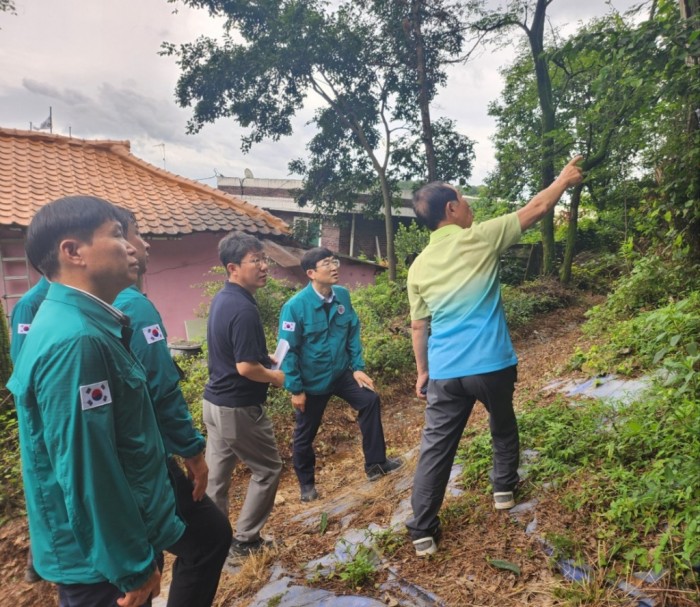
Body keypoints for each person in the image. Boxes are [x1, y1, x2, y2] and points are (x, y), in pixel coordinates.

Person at [8, 195, 182, 606]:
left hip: (104, 549)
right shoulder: (77, 341)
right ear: (73, 252)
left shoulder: (83, 322)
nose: (130, 247)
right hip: (101, 562)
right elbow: (90, 468)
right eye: (118, 235)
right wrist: (132, 566)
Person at [405, 156, 584, 557]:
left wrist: (423, 372)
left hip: (446, 372)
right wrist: (564, 178)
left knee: (435, 448)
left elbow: (420, 326)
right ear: (450, 210)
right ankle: (503, 489)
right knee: (502, 424)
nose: (470, 207)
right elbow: (536, 208)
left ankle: (422, 530)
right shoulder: (481, 237)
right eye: (464, 201)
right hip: (491, 363)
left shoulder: (417, 267)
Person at [113, 208, 232, 605]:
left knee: (148, 556)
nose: (144, 244)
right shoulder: (134, 306)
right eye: (134, 234)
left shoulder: (49, 309)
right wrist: (193, 451)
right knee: (209, 537)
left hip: (116, 467)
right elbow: (161, 386)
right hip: (146, 460)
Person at [279, 247, 402, 503]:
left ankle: (376, 465)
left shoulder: (342, 296)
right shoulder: (294, 307)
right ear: (312, 273)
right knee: (305, 433)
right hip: (312, 382)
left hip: (340, 373)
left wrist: (357, 367)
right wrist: (296, 388)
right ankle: (307, 485)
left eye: (334, 261)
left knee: (369, 400)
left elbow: (352, 332)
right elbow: (287, 350)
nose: (335, 267)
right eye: (327, 263)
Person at [203, 232, 284, 561]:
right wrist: (275, 376)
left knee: (216, 481)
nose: (264, 266)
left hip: (214, 404)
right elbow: (246, 367)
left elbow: (235, 352)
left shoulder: (225, 299)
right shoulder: (244, 309)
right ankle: (246, 541)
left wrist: (262, 358)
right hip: (238, 406)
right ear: (233, 267)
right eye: (257, 261)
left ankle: (213, 543)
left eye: (265, 259)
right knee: (268, 469)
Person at [8, 274, 50, 584]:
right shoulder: (29, 305)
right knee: (44, 487)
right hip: (43, 416)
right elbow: (23, 364)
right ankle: (37, 562)